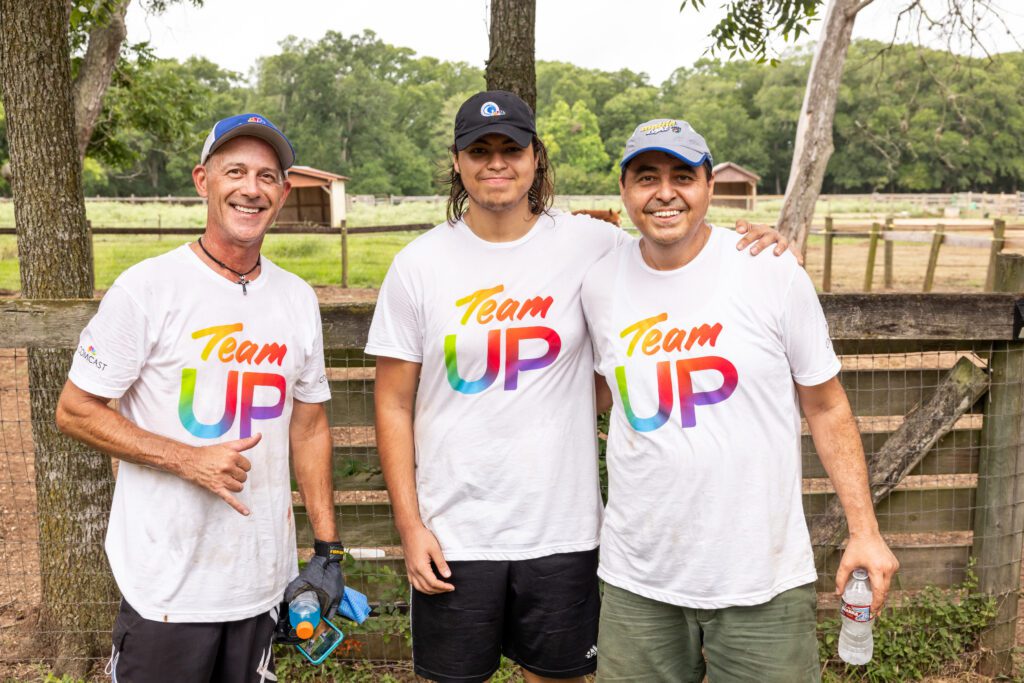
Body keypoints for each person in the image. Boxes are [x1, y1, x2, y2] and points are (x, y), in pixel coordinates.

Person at [366, 91, 790, 683]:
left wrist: (748, 242)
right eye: (479, 150)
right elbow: (392, 402)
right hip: (454, 532)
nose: (496, 162)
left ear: (535, 157)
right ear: (456, 162)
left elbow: (673, 239)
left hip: (563, 529)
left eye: (510, 148)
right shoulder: (419, 264)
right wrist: (411, 527)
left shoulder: (592, 246)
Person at [581, 118, 900, 682]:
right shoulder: (599, 283)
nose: (665, 192)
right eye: (646, 177)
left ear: (708, 186)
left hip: (762, 575)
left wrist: (865, 532)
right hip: (640, 578)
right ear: (625, 191)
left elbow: (826, 406)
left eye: (683, 175)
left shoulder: (768, 271)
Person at [55, 113, 345, 682]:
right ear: (202, 180)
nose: (251, 188)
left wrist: (327, 549)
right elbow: (75, 410)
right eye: (234, 171)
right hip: (168, 581)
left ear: (283, 193)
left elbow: (309, 427)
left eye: (267, 176)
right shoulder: (148, 288)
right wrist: (187, 459)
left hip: (261, 577)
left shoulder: (296, 298)